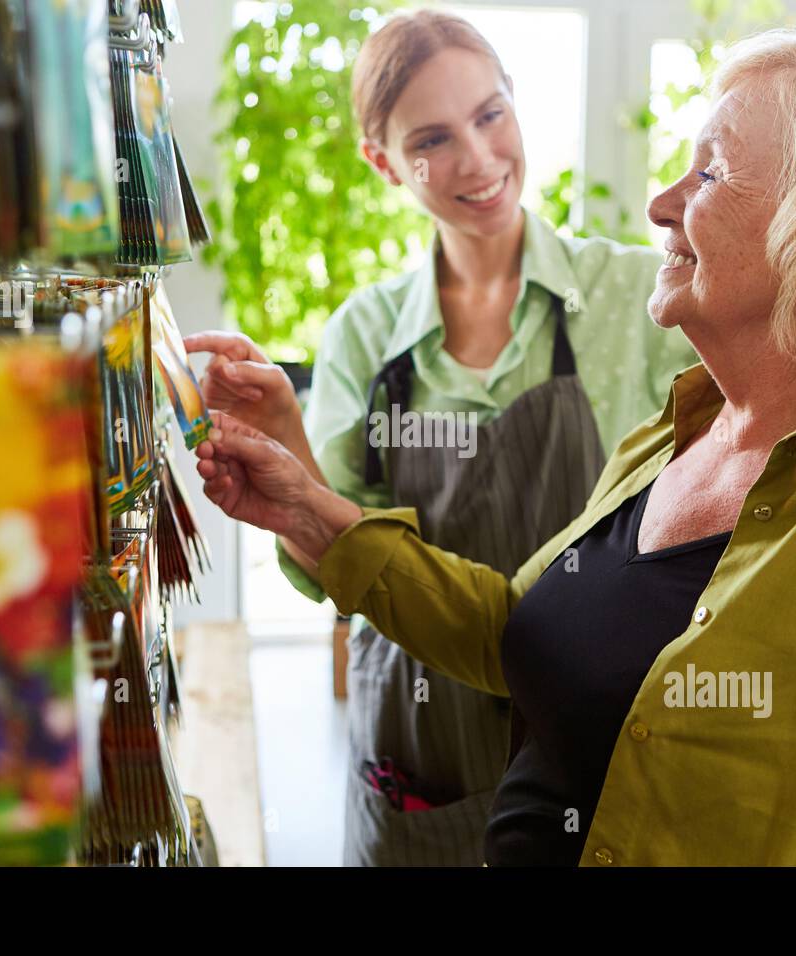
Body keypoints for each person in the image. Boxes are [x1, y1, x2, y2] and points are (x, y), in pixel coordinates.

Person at [195, 26, 796, 865]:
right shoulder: (684, 429)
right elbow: (522, 635)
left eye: (711, 173)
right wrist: (303, 510)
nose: (659, 205)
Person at [186, 10, 695, 866]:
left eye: (490, 115)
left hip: (599, 744)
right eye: (432, 140)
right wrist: (282, 439)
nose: (478, 159)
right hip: (423, 749)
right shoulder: (366, 334)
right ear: (383, 161)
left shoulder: (636, 297)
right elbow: (332, 569)